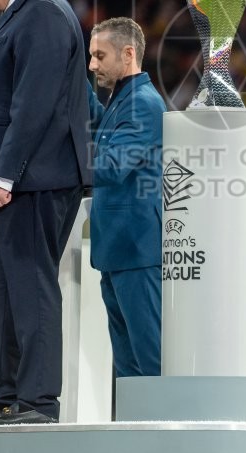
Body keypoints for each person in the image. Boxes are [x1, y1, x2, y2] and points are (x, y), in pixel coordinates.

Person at [0, 0, 91, 425]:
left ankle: (37, 402)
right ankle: (8, 396)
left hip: (37, 177)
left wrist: (4, 176)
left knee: (31, 287)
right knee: (7, 289)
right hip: (21, 181)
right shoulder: (18, 15)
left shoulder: (44, 13)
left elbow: (34, 101)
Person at [87, 17, 165, 378]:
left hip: (137, 250)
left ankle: (167, 434)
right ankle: (136, 433)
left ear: (129, 53)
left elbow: (111, 167)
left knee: (148, 361)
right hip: (119, 250)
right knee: (127, 366)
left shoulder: (144, 104)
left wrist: (54, 167)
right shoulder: (124, 100)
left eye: (100, 56)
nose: (93, 65)